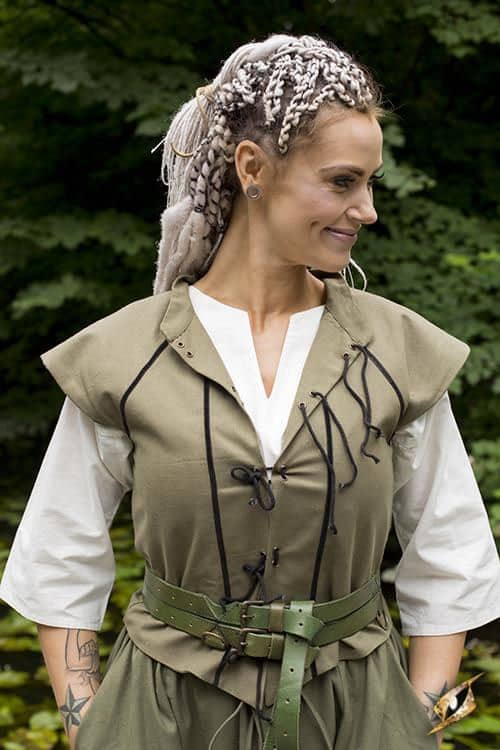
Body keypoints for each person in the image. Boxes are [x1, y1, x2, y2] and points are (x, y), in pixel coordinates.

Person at [1, 32, 499, 750]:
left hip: (356, 715)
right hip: (161, 716)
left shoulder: (397, 353)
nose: (367, 209)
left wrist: (419, 722)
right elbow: (60, 555)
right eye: (342, 181)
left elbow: (451, 555)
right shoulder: (126, 356)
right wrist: (88, 724)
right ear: (253, 169)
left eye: (370, 183)